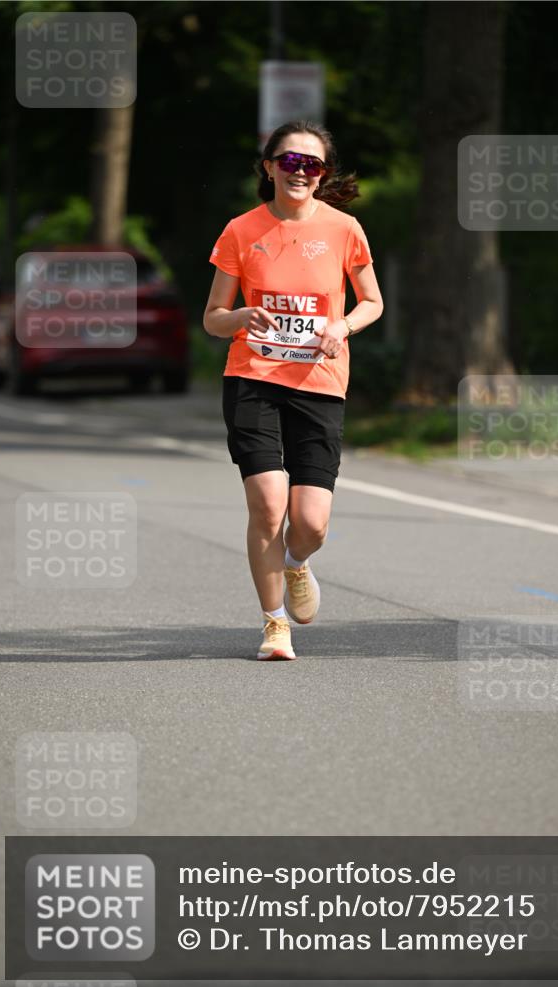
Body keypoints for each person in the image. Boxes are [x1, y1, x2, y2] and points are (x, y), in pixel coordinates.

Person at [203, 120, 383, 661]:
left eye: (312, 164)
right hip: (253, 376)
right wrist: (240, 315)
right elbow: (212, 318)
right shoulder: (241, 230)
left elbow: (371, 301)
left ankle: (297, 562)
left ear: (322, 173)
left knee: (310, 523)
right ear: (270, 167)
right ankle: (274, 623)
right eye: (290, 161)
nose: (301, 171)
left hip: (320, 382)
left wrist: (341, 326)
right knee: (267, 505)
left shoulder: (344, 229)